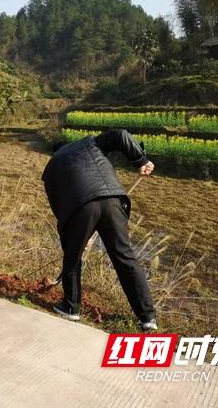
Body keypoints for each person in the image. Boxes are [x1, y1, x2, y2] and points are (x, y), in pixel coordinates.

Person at [42, 129, 157, 330]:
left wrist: (76, 238)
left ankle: (71, 308)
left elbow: (60, 209)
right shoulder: (89, 143)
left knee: (72, 258)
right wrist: (140, 159)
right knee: (124, 257)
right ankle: (147, 318)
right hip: (114, 199)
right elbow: (121, 135)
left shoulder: (52, 168)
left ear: (55, 153)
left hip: (80, 208)